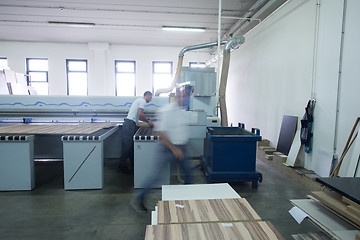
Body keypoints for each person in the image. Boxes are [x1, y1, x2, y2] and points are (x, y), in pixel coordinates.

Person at [131, 88, 193, 213]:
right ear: (176, 97)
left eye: (185, 97)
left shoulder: (181, 111)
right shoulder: (168, 111)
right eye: (181, 97)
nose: (183, 99)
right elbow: (161, 133)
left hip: (181, 149)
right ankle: (139, 197)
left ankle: (186, 201)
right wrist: (175, 149)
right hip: (168, 149)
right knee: (156, 177)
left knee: (188, 175)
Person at [119, 91, 154, 173]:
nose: (151, 99)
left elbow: (139, 116)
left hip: (130, 123)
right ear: (147, 95)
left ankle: (132, 164)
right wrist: (149, 121)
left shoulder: (139, 100)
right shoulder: (142, 101)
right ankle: (121, 166)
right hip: (129, 124)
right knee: (127, 146)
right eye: (151, 97)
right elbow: (140, 114)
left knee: (131, 146)